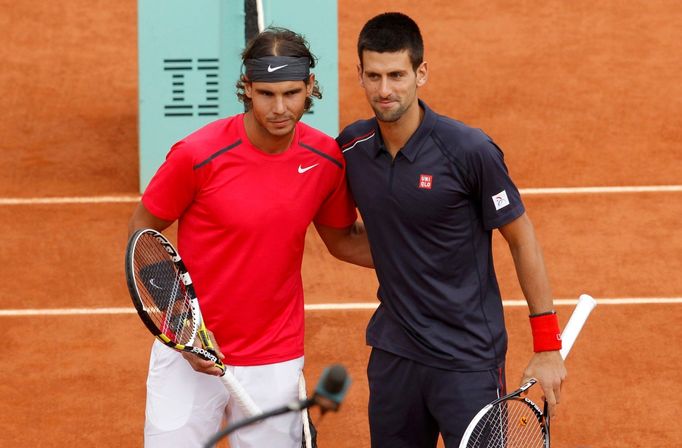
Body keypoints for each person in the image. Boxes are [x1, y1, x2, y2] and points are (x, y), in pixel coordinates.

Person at [129, 27, 372, 448]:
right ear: (246, 88)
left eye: (292, 93)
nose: (280, 108)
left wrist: (427, 250)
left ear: (310, 86)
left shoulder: (324, 161)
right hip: (189, 355)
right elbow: (142, 234)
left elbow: (342, 240)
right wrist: (182, 331)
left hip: (273, 359)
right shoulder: (197, 155)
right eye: (266, 94)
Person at [336, 12, 567, 447]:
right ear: (360, 76)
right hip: (395, 354)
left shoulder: (469, 150)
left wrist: (547, 345)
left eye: (397, 75)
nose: (385, 90)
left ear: (421, 73)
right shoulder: (352, 148)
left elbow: (522, 239)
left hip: (467, 358)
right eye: (374, 76)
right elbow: (344, 235)